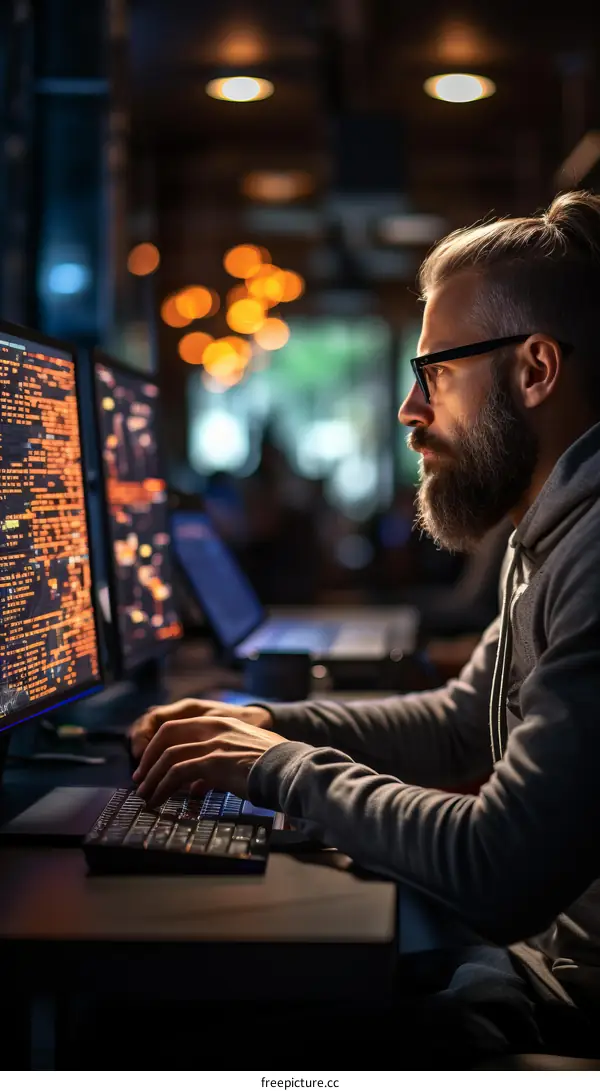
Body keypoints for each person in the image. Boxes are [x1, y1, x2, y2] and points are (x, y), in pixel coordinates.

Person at [130, 190, 600, 1059]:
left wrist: (282, 771)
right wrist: (262, 726)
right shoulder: (551, 528)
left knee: (162, 1041)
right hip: (534, 974)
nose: (408, 411)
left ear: (536, 370)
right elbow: (462, 722)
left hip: (570, 1011)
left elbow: (501, 869)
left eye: (435, 373)